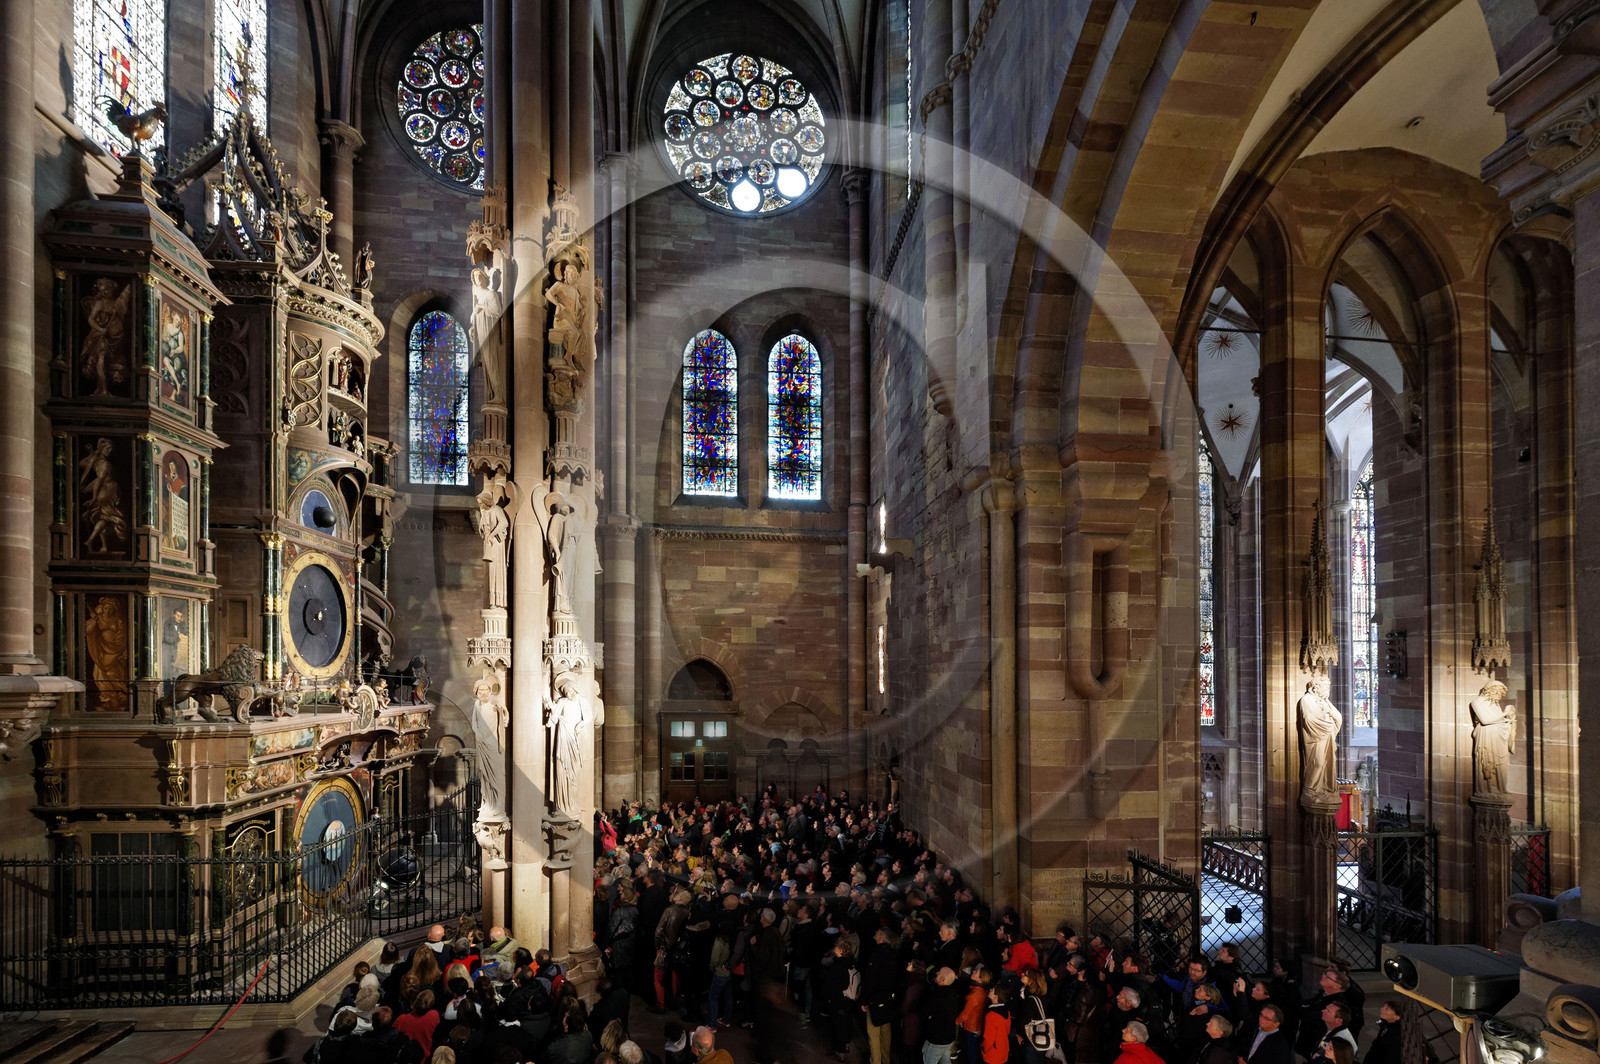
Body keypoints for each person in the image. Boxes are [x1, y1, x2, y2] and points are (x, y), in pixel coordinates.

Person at [923, 966, 965, 1064]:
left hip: (936, 1039)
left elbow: (924, 1012)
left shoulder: (936, 997)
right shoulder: (954, 994)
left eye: (939, 973)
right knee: (946, 1060)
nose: (936, 973)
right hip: (949, 1038)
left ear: (943, 980)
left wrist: (930, 1016)